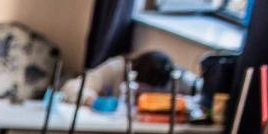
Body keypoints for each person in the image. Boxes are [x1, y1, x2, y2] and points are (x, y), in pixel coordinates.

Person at [58, 49, 191, 104]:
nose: (145, 92)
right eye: (143, 88)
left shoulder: (175, 77)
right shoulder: (117, 68)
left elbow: (198, 93)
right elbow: (71, 87)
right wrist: (92, 100)